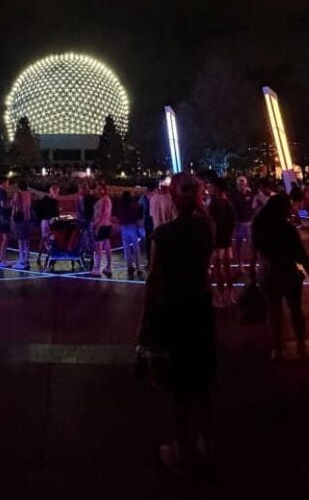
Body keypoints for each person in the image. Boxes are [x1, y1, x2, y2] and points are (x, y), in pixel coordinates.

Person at [136, 173, 216, 475]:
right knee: (203, 383)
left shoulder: (165, 235)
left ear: (172, 197)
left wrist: (144, 322)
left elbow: (154, 279)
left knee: (180, 386)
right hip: (201, 308)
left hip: (175, 309)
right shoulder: (207, 227)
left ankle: (182, 450)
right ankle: (207, 444)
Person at [250, 192, 309, 361]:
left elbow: (254, 251)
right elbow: (302, 256)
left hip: (267, 272)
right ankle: (301, 347)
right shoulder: (288, 229)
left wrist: (253, 269)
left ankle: (277, 349)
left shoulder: (260, 227)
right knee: (295, 310)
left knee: (273, 311)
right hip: (288, 272)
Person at [207, 178, 236, 307]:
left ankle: (220, 296)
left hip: (217, 240)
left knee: (218, 268)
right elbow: (233, 222)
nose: (209, 188)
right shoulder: (229, 203)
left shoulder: (213, 204)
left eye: (211, 186)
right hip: (227, 239)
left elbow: (210, 223)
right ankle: (230, 295)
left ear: (217, 188)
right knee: (227, 268)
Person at [230, 176, 254, 282]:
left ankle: (251, 264)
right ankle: (240, 264)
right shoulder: (234, 195)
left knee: (251, 244)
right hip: (239, 222)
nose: (242, 184)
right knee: (239, 245)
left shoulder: (250, 193)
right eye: (240, 183)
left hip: (248, 221)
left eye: (243, 182)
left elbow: (253, 205)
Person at [115, 189, 143, 279]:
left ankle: (129, 266)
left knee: (126, 248)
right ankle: (138, 267)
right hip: (133, 226)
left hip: (124, 227)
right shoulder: (134, 206)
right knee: (136, 247)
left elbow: (118, 217)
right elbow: (139, 217)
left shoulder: (120, 207)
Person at [89, 182, 113, 276]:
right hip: (106, 225)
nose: (97, 190)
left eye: (100, 188)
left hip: (102, 226)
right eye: (97, 188)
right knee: (107, 247)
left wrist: (98, 227)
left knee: (99, 247)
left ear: (104, 189)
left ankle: (97, 268)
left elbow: (103, 214)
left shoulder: (104, 199)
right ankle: (108, 267)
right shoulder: (106, 199)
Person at [10, 179, 33, 269]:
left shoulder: (18, 194)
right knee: (27, 239)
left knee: (20, 240)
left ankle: (22, 261)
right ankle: (26, 260)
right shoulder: (28, 193)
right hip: (28, 218)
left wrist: (12, 203)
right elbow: (29, 205)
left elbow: (15, 205)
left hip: (20, 218)